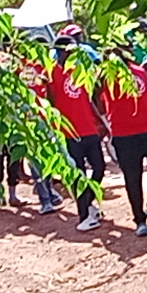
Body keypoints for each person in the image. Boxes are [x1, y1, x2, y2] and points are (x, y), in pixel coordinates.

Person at [105, 50, 147, 237]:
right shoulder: (105, 76)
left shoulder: (139, 71)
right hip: (123, 134)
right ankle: (139, 220)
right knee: (132, 178)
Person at [46, 35, 108, 232]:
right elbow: (51, 102)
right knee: (78, 173)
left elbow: (87, 98)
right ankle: (84, 216)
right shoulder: (52, 73)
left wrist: (100, 120)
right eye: (69, 50)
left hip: (88, 128)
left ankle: (88, 202)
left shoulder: (78, 70)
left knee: (99, 167)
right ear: (62, 51)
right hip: (69, 132)